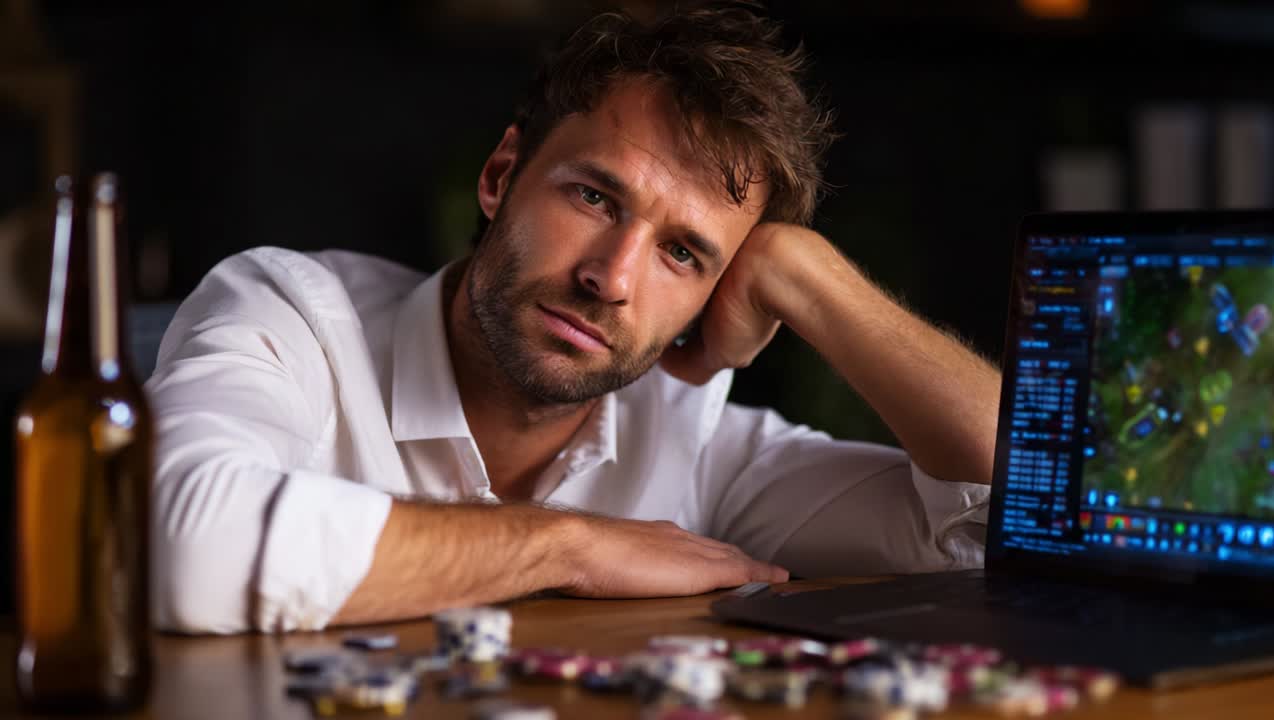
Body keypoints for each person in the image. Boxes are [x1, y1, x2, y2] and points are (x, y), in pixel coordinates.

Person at [147, 3, 999, 634]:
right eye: (594, 197)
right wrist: (568, 547)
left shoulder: (694, 441)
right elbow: (184, 547)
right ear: (500, 175)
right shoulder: (288, 316)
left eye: (684, 254)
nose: (612, 278)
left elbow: (1007, 519)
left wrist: (804, 275)